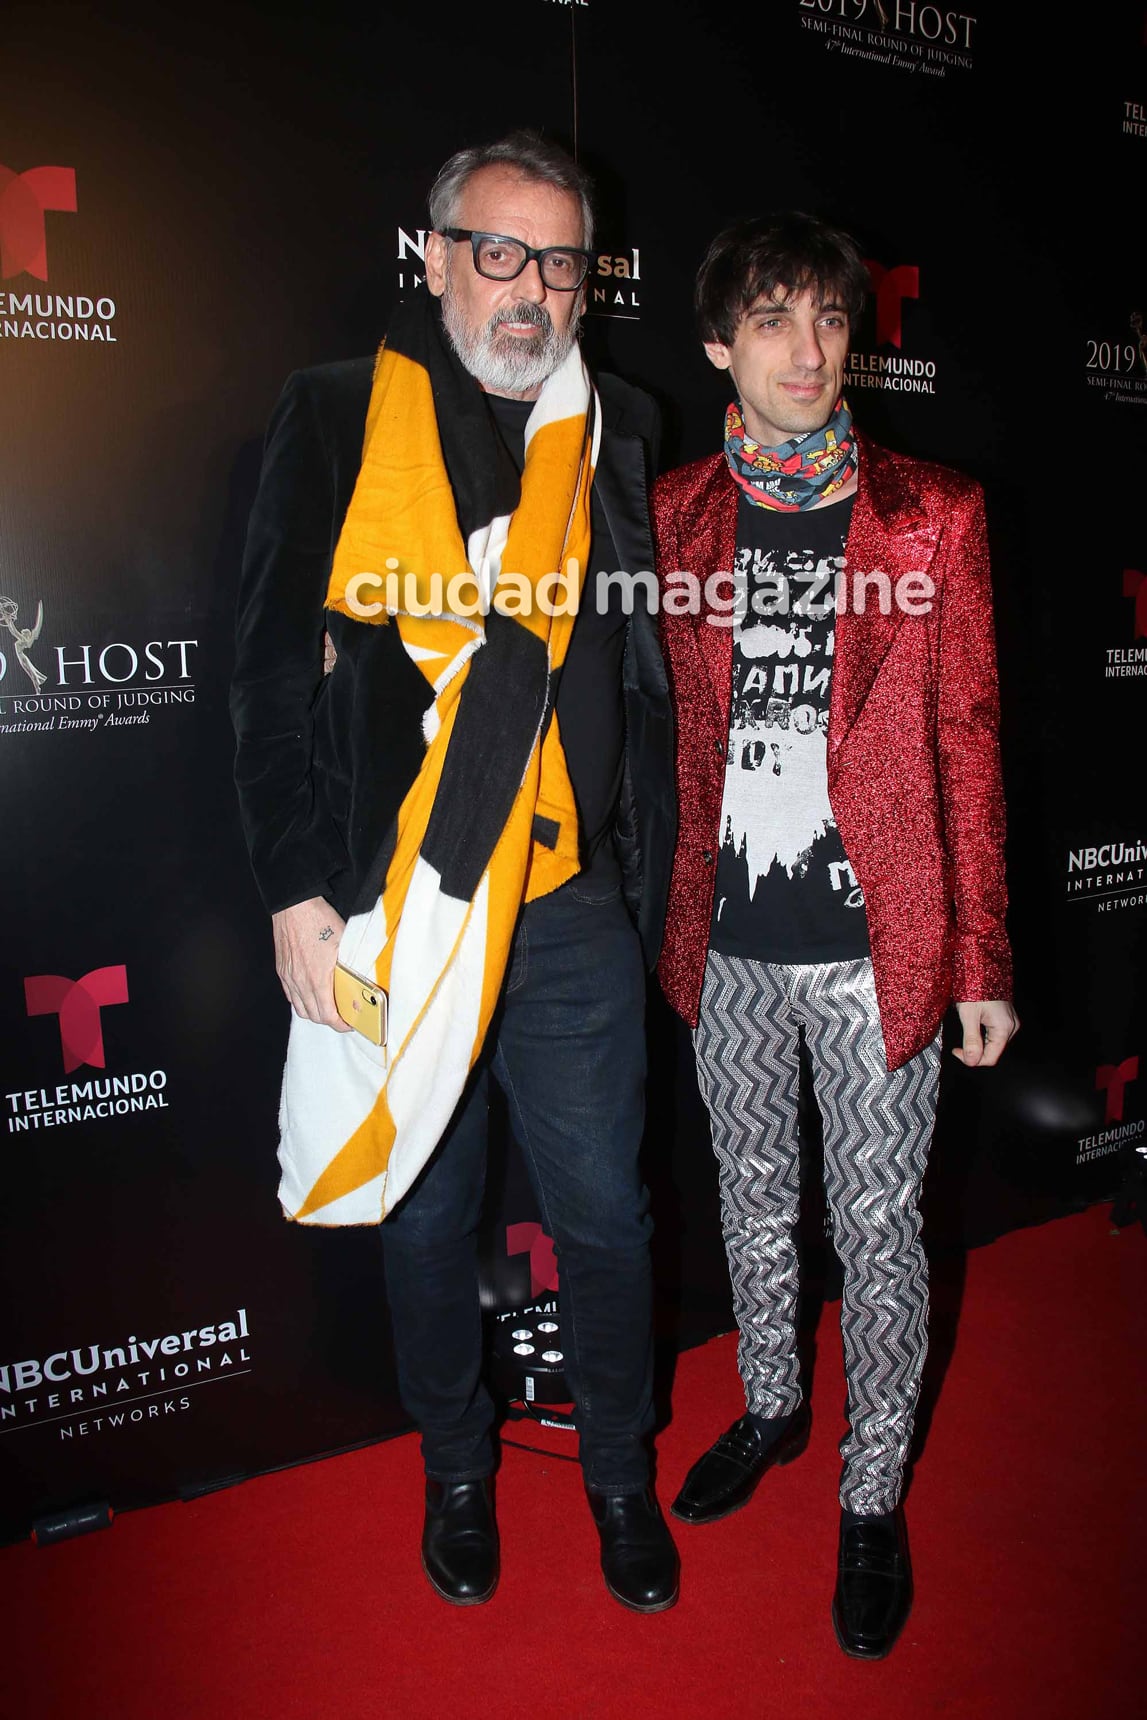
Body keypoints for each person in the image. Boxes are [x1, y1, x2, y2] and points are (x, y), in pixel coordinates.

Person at [230, 131, 679, 1613]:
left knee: (606, 1216)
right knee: (427, 1215)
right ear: (430, 257)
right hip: (393, 903)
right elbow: (263, 679)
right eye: (501, 251)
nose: (532, 288)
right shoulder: (336, 412)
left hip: (570, 914)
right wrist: (295, 889)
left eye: (560, 260)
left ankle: (620, 1470)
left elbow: (643, 665)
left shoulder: (624, 421)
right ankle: (458, 1473)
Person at [653, 212, 1018, 1658]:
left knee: (876, 1231)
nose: (809, 352)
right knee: (750, 1200)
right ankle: (771, 1406)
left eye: (828, 321)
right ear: (718, 349)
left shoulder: (932, 512)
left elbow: (970, 740)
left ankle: (873, 1494)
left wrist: (982, 961)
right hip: (730, 942)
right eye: (775, 322)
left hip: (882, 949)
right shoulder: (677, 514)